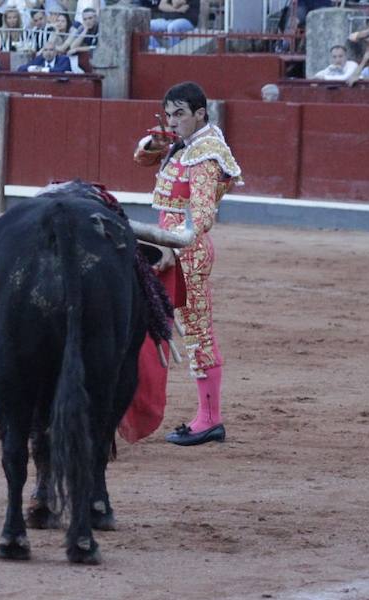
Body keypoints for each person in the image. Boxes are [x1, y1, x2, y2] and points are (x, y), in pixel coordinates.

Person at [131, 81, 242, 447]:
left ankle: (209, 420)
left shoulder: (205, 153)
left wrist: (171, 247)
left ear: (200, 113)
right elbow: (142, 158)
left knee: (197, 333)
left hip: (185, 253)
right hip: (163, 247)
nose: (172, 121)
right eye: (168, 114)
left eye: (180, 114)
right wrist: (156, 144)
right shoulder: (187, 143)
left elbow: (202, 217)